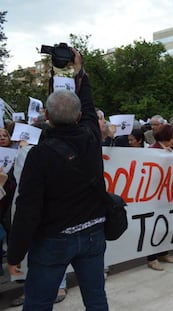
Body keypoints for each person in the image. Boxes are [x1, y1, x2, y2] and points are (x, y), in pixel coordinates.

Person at [7, 49, 110, 310]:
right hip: (93, 235)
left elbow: (28, 208)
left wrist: (15, 253)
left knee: (39, 302)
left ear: (48, 118)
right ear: (78, 117)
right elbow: (87, 104)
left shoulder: (39, 155)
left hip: (54, 240)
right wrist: (79, 70)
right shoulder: (90, 138)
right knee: (96, 298)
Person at [146, 124, 173, 271]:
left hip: (167, 194)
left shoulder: (169, 151)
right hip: (154, 196)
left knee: (166, 224)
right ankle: (151, 258)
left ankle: (163, 253)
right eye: (172, 138)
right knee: (154, 226)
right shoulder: (152, 151)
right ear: (166, 137)